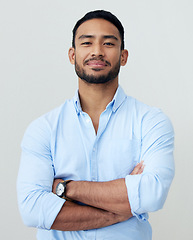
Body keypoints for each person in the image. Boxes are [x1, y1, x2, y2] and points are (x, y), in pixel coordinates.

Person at [17, 10, 175, 240]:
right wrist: (121, 209)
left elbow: (152, 195)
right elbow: (32, 210)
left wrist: (66, 188)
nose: (97, 51)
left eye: (109, 43)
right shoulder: (43, 128)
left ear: (123, 56)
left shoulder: (150, 121)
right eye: (87, 42)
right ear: (72, 55)